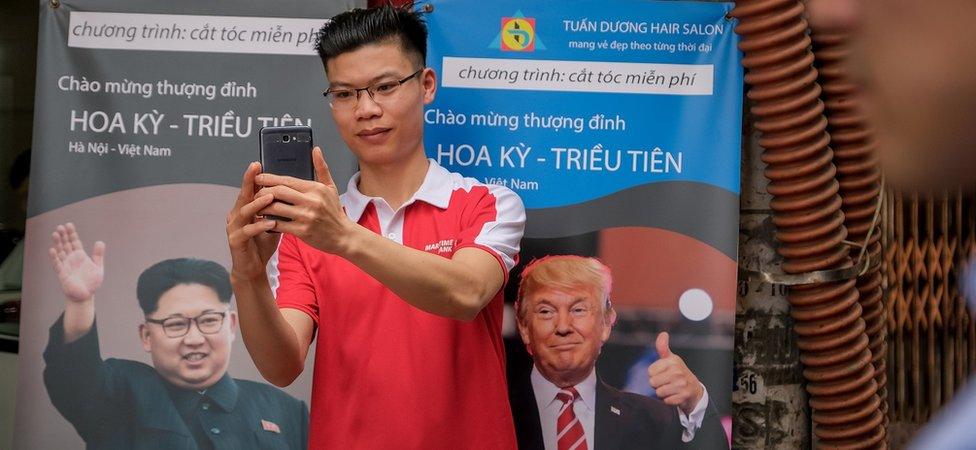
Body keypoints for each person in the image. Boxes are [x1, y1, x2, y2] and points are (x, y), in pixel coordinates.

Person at [224, 5, 525, 449]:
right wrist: (246, 275)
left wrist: (343, 237)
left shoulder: (485, 203)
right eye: (344, 94)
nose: (365, 109)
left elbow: (464, 294)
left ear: (426, 86)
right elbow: (282, 365)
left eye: (384, 87)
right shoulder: (308, 233)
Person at [43, 223, 308, 450]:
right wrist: (80, 304)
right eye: (176, 324)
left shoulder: (285, 409)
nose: (194, 339)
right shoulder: (118, 390)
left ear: (231, 325)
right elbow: (75, 379)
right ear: (146, 335)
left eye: (208, 320)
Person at [509, 255, 727, 449]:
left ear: (606, 323)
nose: (563, 326)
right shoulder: (493, 411)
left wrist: (695, 400)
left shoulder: (653, 420)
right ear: (524, 328)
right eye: (546, 311)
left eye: (578, 310)